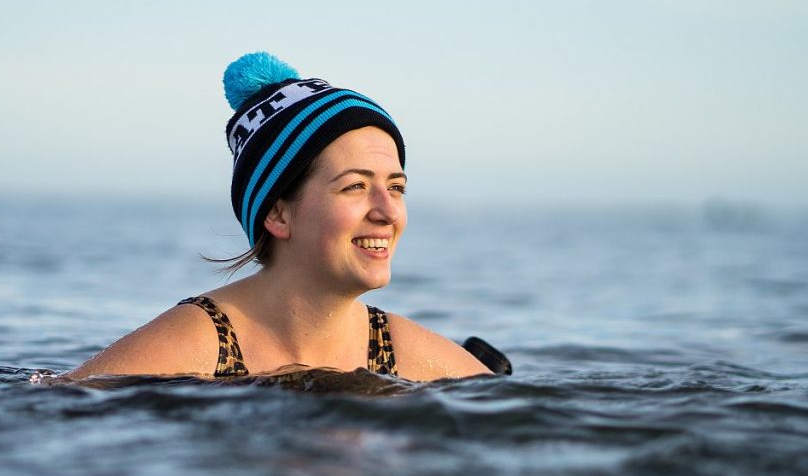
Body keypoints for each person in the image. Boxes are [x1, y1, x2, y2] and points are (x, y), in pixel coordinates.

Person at [67, 52, 496, 382]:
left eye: (396, 187)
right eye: (356, 186)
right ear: (278, 214)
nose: (387, 212)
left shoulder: (403, 353)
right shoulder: (200, 343)